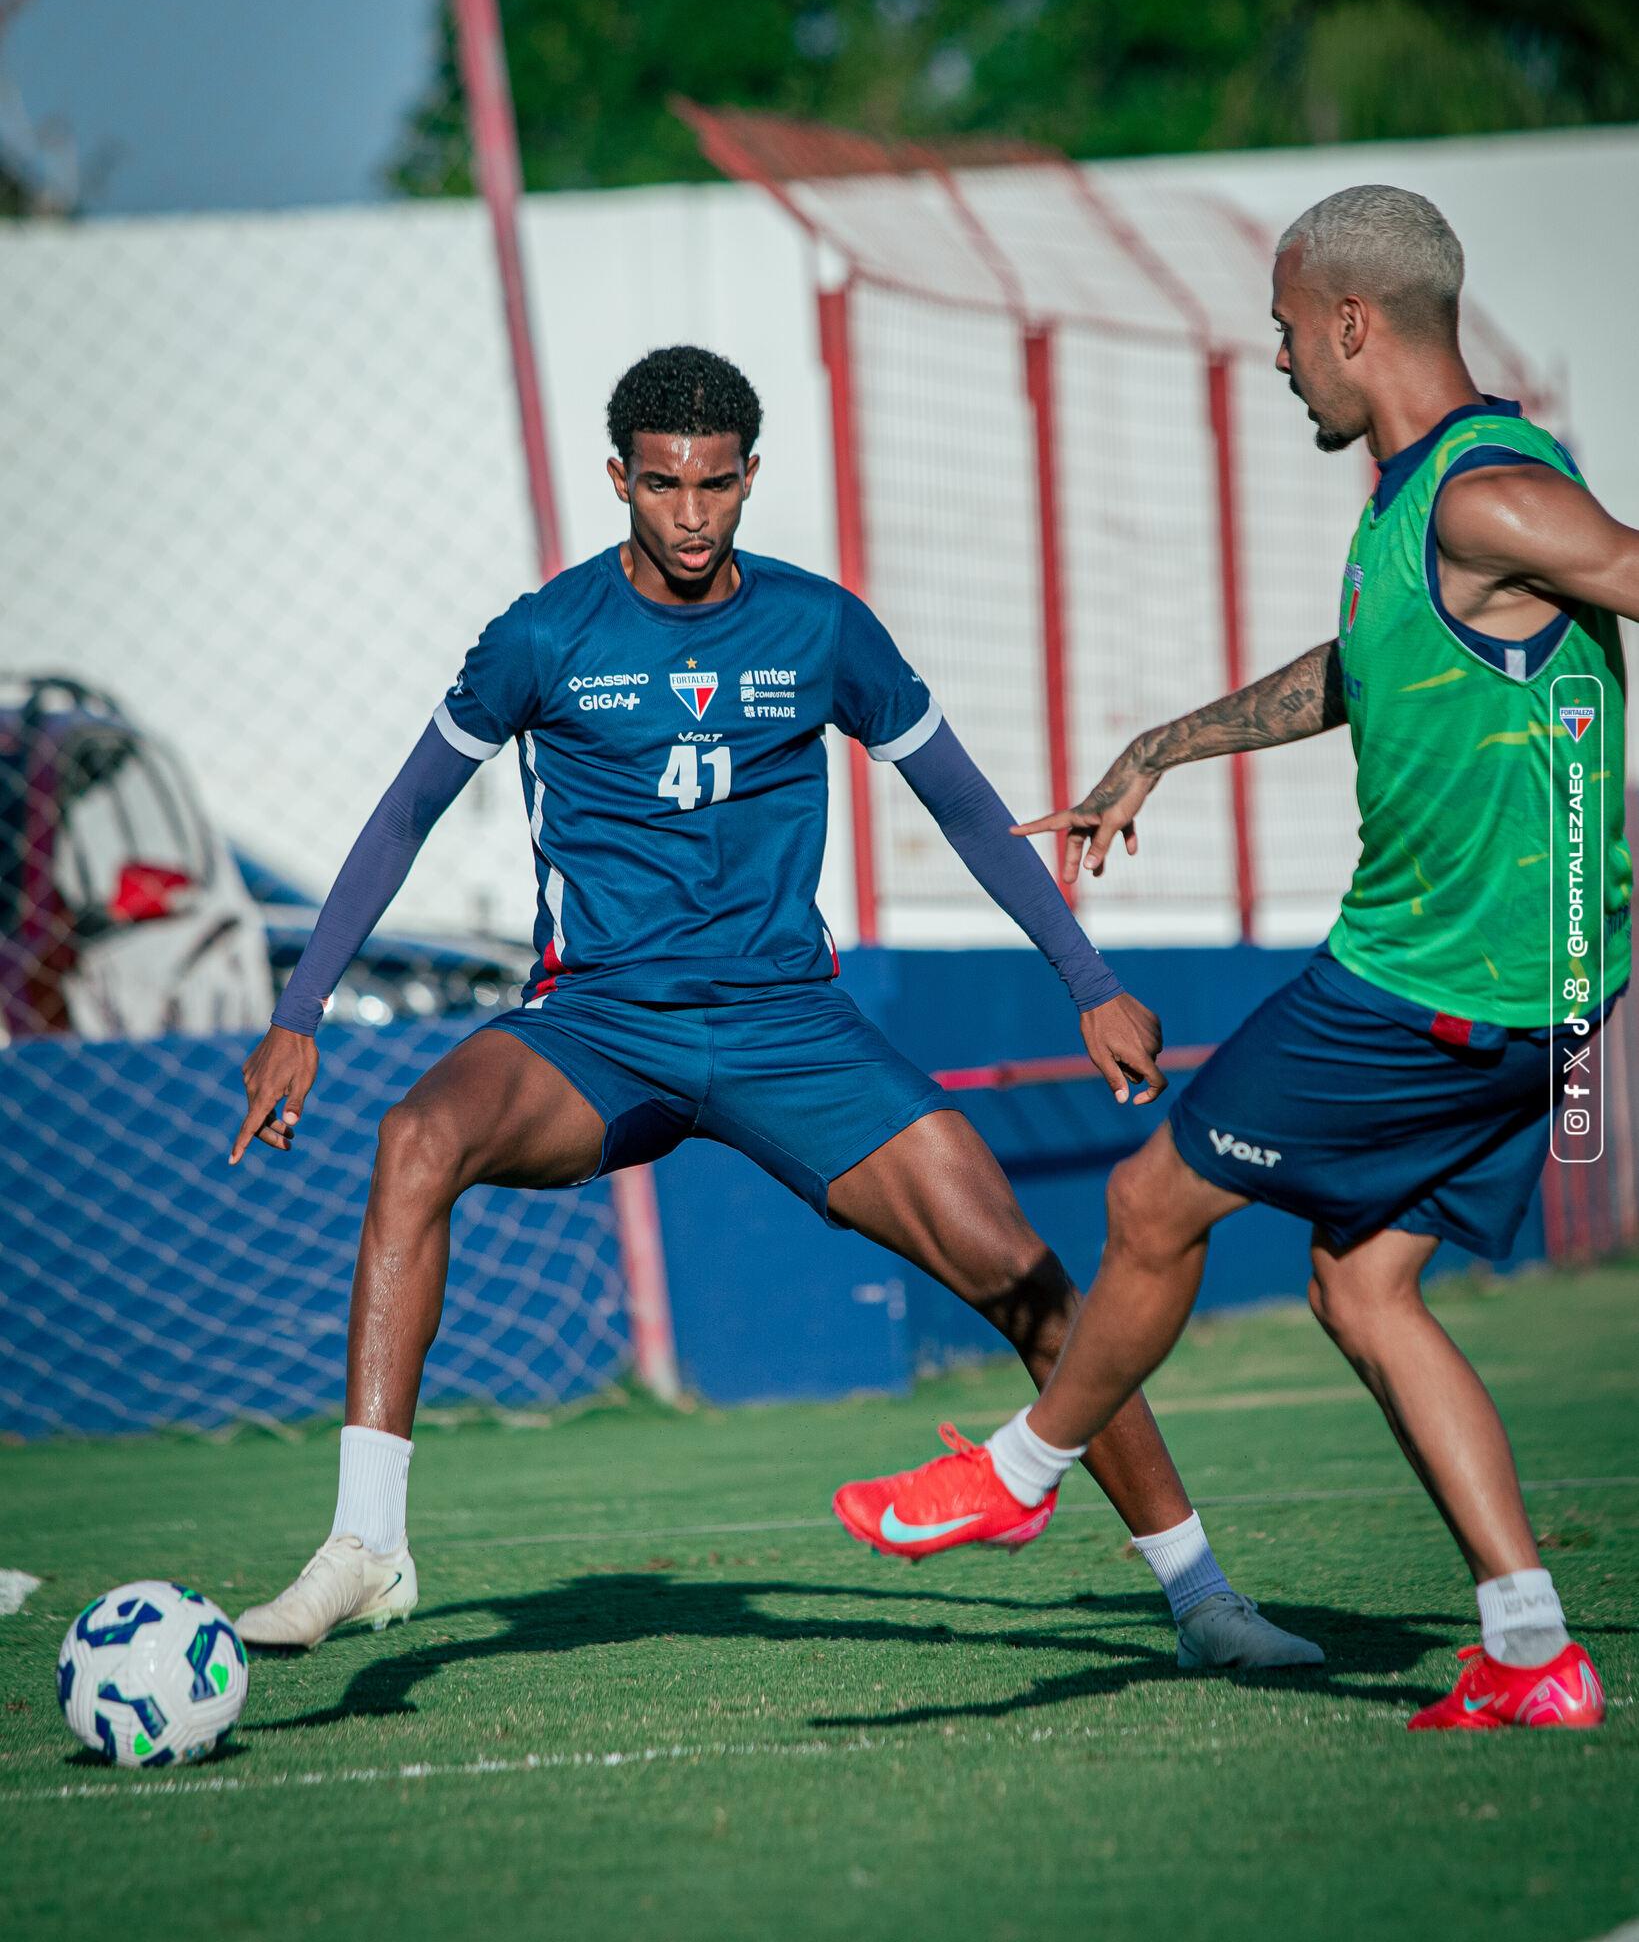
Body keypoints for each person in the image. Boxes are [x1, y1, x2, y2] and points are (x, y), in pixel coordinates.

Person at [230, 344, 1319, 1669]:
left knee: (1023, 1274)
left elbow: (965, 807)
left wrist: (1088, 985)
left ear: (752, 477)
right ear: (619, 478)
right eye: (662, 485)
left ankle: (1204, 1599)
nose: (690, 514)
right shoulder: (541, 636)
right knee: (415, 1138)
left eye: (717, 485)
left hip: (789, 1029)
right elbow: (406, 812)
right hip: (597, 1030)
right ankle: (368, 1545)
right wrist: (302, 1007)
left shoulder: (821, 627)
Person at [834, 187, 1632, 1732]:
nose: (1277, 360)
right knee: (1364, 1288)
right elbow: (1374, 662)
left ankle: (1018, 1473)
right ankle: (1535, 1651)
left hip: (1438, 983)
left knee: (1151, 1197)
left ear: (1353, 322)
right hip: (1522, 994)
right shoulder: (1420, 510)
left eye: (1283, 329)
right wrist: (1168, 747)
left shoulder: (1484, 491)